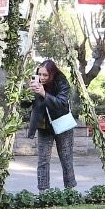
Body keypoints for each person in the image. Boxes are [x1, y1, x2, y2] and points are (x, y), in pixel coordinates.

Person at [23, 58, 76, 191]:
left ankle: (70, 190)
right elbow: (24, 105)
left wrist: (44, 94)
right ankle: (43, 191)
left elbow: (61, 104)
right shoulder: (36, 84)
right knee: (43, 161)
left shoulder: (62, 83)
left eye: (45, 75)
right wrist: (27, 94)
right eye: (39, 74)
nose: (42, 78)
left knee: (66, 159)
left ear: (52, 74)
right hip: (44, 126)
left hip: (62, 125)